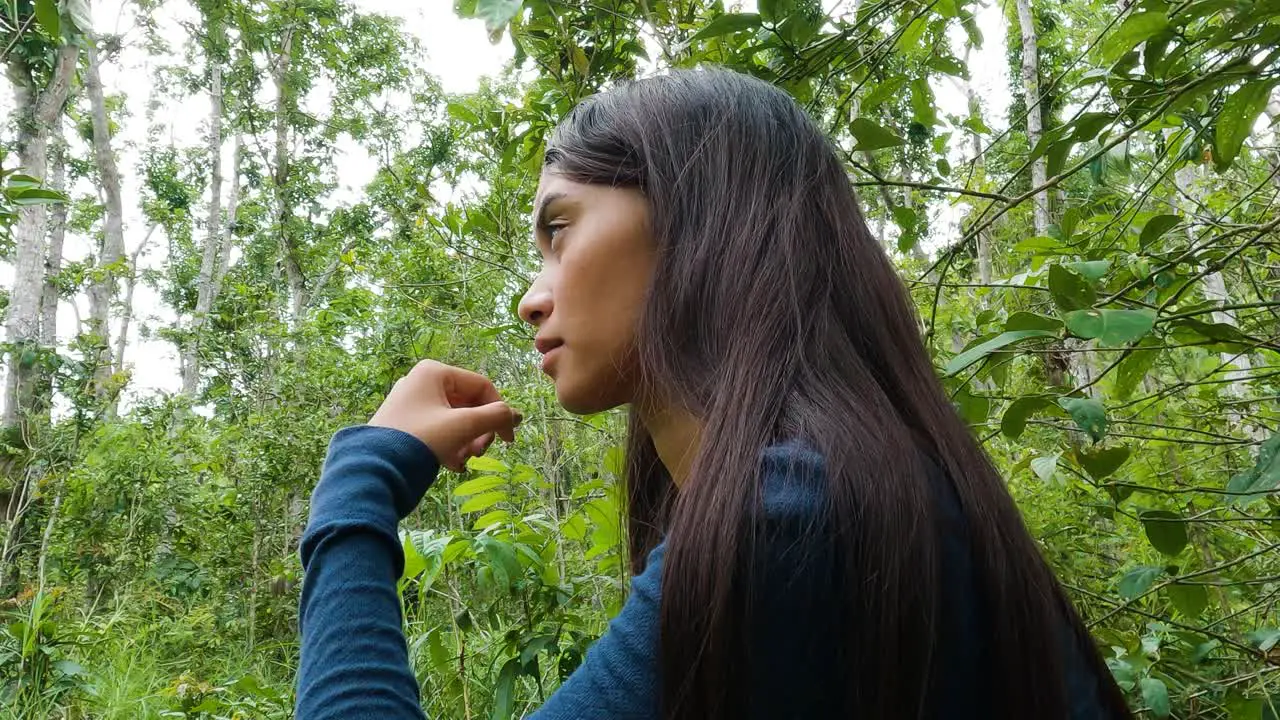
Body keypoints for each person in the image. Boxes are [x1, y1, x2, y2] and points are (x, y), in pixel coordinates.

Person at [295, 68, 1133, 720]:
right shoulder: (844, 484)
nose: (532, 297)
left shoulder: (796, 516)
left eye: (560, 230)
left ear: (701, 217)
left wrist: (360, 481)